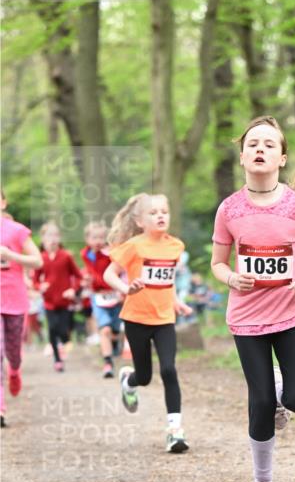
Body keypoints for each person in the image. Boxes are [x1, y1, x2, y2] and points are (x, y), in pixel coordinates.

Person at [211, 115, 295, 482]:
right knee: (260, 401)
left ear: (281, 158)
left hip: (291, 315)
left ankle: (281, 384)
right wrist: (232, 278)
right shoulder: (229, 209)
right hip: (246, 318)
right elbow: (216, 263)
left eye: (269, 144)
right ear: (243, 156)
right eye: (252, 144)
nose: (260, 149)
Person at [103, 193, 193, 453]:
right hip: (136, 318)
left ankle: (175, 431)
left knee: (168, 370)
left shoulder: (175, 246)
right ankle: (129, 380)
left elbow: (168, 279)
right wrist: (125, 288)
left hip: (164, 319)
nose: (160, 216)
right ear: (140, 221)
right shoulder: (134, 246)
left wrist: (177, 302)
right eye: (153, 213)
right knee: (144, 377)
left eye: (164, 211)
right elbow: (108, 274)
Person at [0, 189, 43, 427]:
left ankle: (15, 370)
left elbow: (38, 261)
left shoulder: (16, 231)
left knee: (12, 352)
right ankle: (1, 409)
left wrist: (11, 255)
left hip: (14, 300)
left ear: (3, 202)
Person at [33, 222, 82, 372]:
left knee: (63, 330)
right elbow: (35, 280)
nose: (52, 239)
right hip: (48, 302)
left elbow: (78, 277)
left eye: (55, 235)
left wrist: (73, 290)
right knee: (52, 329)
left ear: (59, 238)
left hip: (65, 301)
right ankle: (57, 359)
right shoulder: (40, 258)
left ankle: (64, 343)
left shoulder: (66, 256)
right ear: (42, 239)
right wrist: (39, 287)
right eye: (49, 236)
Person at [80, 221, 123, 378]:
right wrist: (87, 279)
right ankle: (107, 363)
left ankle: (115, 340)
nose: (97, 241)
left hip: (115, 293)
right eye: (94, 238)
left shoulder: (111, 253)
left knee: (115, 328)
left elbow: (121, 268)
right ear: (87, 239)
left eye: (101, 238)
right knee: (104, 329)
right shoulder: (85, 254)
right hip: (97, 296)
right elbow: (91, 270)